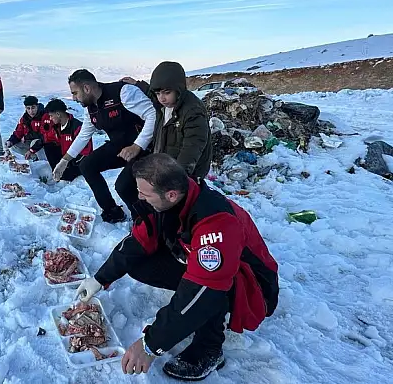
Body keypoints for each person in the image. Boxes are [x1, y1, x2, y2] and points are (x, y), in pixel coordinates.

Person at [75, 153, 279, 381]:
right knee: (141, 264)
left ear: (170, 194)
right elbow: (139, 240)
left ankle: (210, 350)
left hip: (249, 285)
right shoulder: (170, 199)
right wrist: (100, 278)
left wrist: (150, 345)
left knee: (204, 295)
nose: (139, 198)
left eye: (144, 193)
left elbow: (204, 289)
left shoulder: (216, 224)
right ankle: (190, 304)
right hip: (202, 264)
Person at [53, 69, 156, 223]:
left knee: (123, 186)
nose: (74, 98)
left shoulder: (123, 92)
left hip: (145, 148)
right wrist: (65, 160)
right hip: (120, 147)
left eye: (75, 93)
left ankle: (145, 221)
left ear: (87, 88)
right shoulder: (91, 108)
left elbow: (153, 115)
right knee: (87, 165)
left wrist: (137, 146)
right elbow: (84, 135)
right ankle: (112, 211)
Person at [122, 61, 213, 180]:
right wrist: (138, 84)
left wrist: (176, 178)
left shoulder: (193, 112)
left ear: (179, 89)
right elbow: (151, 92)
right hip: (166, 162)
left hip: (186, 174)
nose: (162, 98)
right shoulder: (164, 103)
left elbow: (191, 150)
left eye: (167, 93)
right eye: (158, 93)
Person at [28, 98, 92, 181]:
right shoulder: (57, 127)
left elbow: (86, 153)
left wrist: (66, 164)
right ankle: (58, 174)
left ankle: (64, 176)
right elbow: (46, 138)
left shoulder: (77, 127)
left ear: (58, 114)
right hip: (65, 159)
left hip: (77, 164)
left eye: (51, 116)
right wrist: (31, 150)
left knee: (67, 173)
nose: (50, 118)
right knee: (49, 146)